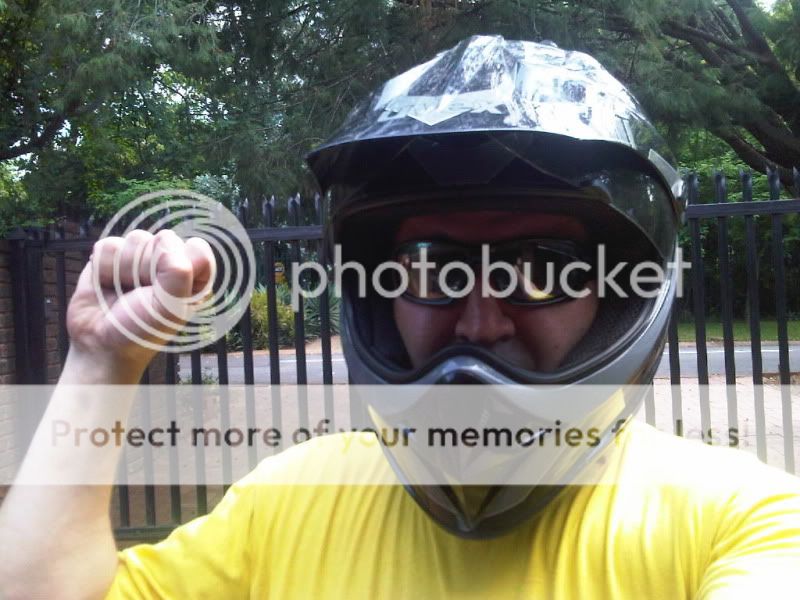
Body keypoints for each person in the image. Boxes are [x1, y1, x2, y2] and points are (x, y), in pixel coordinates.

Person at [1, 35, 799, 599]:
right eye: (432, 270)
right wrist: (100, 363)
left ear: (618, 297)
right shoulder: (290, 503)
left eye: (540, 270)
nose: (480, 324)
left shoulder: (741, 522)